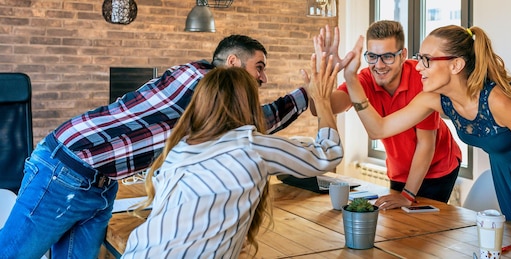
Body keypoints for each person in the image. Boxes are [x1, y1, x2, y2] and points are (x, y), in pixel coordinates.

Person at [0, 34, 322, 259]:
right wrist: (308, 94)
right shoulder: (197, 80)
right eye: (259, 67)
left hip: (100, 183)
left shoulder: (205, 97)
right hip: (67, 168)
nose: (262, 79)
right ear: (234, 62)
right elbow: (255, 120)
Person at [339, 25, 511, 249]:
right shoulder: (436, 100)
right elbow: (379, 129)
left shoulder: (499, 101)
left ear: (456, 64)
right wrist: (351, 79)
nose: (418, 66)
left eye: (426, 60)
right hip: (510, 176)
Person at [122, 56, 343, 258]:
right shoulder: (250, 145)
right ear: (247, 103)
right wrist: (321, 100)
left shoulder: (180, 148)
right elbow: (329, 153)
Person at [311, 21, 461, 209]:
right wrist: (325, 73)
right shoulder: (364, 80)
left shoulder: (421, 79)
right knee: (397, 225)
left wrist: (407, 194)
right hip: (400, 171)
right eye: (372, 56)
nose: (379, 65)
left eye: (388, 56)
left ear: (403, 55)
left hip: (438, 168)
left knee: (426, 231)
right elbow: (321, 107)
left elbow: (426, 144)